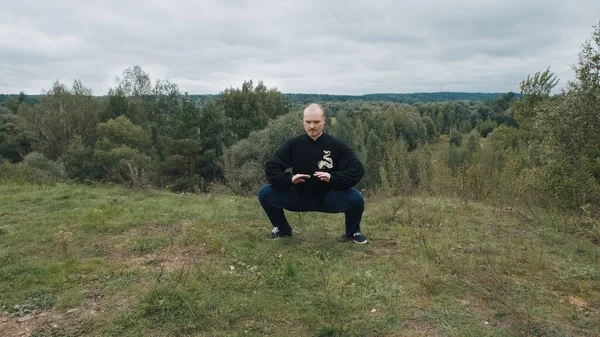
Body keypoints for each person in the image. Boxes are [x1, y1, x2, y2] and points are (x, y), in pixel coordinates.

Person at [258, 103, 367, 244]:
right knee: (265, 193)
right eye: (308, 122)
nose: (312, 126)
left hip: (329, 198)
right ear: (303, 121)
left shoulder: (335, 145)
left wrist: (333, 178)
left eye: (316, 122)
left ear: (324, 121)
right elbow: (271, 167)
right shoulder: (293, 145)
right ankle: (282, 229)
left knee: (356, 198)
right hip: (298, 196)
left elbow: (357, 169)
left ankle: (353, 232)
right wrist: (290, 179)